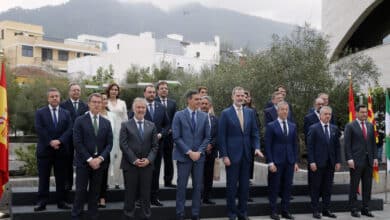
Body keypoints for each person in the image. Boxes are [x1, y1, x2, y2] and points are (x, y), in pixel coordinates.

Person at [218, 86, 263, 220]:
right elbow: (222, 137)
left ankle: (243, 213)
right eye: (238, 96)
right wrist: (224, 155)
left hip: (247, 156)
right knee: (231, 187)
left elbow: (255, 132)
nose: (240, 98)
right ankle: (232, 214)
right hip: (231, 156)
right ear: (232, 97)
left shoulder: (250, 112)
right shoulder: (226, 113)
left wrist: (257, 147)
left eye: (242, 96)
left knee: (244, 187)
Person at [71, 93, 113, 220]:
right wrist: (90, 159)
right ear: (89, 104)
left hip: (99, 164)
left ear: (102, 104)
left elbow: (109, 144)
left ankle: (93, 216)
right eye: (94, 102)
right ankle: (76, 216)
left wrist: (100, 159)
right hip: (84, 163)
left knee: (95, 194)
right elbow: (77, 142)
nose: (96, 104)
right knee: (80, 192)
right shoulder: (80, 120)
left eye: (99, 102)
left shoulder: (106, 123)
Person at [172, 90, 210, 220]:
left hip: (199, 157)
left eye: (200, 100)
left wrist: (199, 152)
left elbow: (207, 137)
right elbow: (176, 137)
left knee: (198, 187)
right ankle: (180, 214)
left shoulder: (204, 116)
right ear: (189, 100)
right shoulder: (178, 115)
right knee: (181, 186)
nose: (199, 102)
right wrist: (189, 152)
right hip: (183, 157)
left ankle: (195, 214)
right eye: (197, 99)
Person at [120, 97, 159, 220]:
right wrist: (134, 159)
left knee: (145, 195)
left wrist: (148, 160)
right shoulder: (125, 125)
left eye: (143, 107)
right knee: (130, 195)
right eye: (138, 107)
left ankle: (146, 216)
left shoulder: (151, 125)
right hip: (130, 165)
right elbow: (123, 145)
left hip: (147, 166)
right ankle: (128, 216)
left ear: (146, 109)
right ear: (133, 109)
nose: (141, 109)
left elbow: (155, 146)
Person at [34, 88, 72, 211]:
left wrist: (59, 141)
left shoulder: (66, 113)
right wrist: (50, 142)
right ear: (48, 98)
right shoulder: (40, 112)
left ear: (60, 98)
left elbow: (69, 129)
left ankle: (61, 202)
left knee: (61, 178)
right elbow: (39, 129)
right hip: (45, 150)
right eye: (52, 96)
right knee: (44, 178)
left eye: (57, 96)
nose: (55, 98)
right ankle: (42, 202)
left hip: (61, 151)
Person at [265, 101, 299, 220]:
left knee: (287, 187)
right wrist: (270, 162)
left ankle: (285, 211)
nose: (284, 111)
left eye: (286, 109)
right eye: (282, 109)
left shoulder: (293, 126)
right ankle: (273, 211)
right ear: (277, 111)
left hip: (289, 161)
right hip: (276, 162)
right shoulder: (271, 126)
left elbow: (295, 145)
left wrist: (295, 161)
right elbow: (267, 146)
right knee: (274, 187)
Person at [307, 106, 341, 219]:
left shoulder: (334, 129)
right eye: (325, 114)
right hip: (317, 163)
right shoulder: (313, 128)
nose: (327, 116)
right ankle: (315, 210)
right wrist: (311, 161)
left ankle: (326, 209)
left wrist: (338, 161)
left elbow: (337, 147)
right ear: (320, 115)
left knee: (328, 188)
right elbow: (310, 147)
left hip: (330, 163)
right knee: (316, 187)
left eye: (329, 114)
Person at [344, 104, 378, 218]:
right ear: (357, 113)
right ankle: (353, 209)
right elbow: (347, 144)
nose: (364, 114)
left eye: (365, 112)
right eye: (362, 112)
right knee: (354, 186)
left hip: (368, 161)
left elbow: (373, 144)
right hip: (356, 161)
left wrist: (375, 158)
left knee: (367, 186)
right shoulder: (350, 126)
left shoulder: (370, 125)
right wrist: (349, 158)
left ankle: (365, 208)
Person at [144, 85, 170, 206]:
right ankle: (142, 198)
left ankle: (154, 197)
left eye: (153, 92)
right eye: (149, 92)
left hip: (157, 145)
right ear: (144, 93)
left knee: (156, 171)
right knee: (143, 172)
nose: (152, 94)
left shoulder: (161, 107)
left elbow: (167, 125)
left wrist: (161, 134)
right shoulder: (140, 106)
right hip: (142, 146)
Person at [60, 83, 88, 192]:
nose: (76, 92)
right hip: (67, 139)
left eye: (78, 90)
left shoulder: (85, 106)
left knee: (83, 161)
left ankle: (82, 185)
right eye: (74, 90)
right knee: (68, 161)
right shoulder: (63, 105)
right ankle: (68, 184)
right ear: (69, 92)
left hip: (82, 139)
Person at [98, 93, 118, 208]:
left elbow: (115, 134)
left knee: (104, 175)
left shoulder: (112, 116)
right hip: (94, 150)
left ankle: (102, 198)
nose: (104, 101)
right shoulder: (89, 114)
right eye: (102, 99)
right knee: (95, 175)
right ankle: (94, 197)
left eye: (105, 99)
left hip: (108, 149)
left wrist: (114, 150)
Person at [155, 81, 177, 188]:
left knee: (169, 159)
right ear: (158, 90)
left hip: (169, 136)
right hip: (157, 136)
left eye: (166, 88)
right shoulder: (153, 102)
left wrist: (172, 129)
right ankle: (155, 183)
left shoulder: (173, 103)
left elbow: (174, 118)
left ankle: (168, 181)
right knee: (156, 160)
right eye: (162, 88)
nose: (164, 90)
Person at [106, 83, 127, 188]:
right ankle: (107, 182)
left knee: (119, 158)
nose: (114, 91)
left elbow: (125, 119)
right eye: (112, 89)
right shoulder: (105, 102)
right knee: (108, 157)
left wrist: (125, 133)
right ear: (108, 91)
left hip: (119, 133)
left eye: (116, 90)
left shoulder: (122, 103)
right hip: (107, 132)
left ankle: (117, 182)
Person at [200, 95, 218, 205]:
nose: (204, 106)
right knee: (199, 176)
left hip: (211, 152)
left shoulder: (215, 119)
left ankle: (207, 197)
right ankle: (199, 197)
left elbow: (217, 135)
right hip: (199, 152)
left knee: (209, 175)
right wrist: (203, 146)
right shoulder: (196, 117)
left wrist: (211, 144)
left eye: (206, 104)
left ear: (210, 105)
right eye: (202, 103)